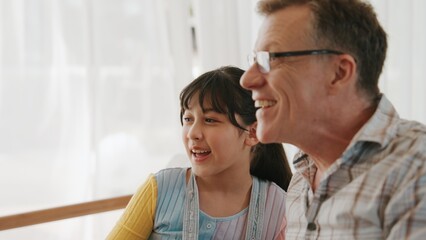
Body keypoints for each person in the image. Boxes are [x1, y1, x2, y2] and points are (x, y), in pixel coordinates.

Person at [240, 0, 426, 239]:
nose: (247, 79)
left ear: (339, 73)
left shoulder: (416, 170)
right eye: (254, 60)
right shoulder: (300, 182)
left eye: (271, 59)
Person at [107, 66, 293, 239]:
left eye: (210, 120)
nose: (193, 133)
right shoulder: (158, 189)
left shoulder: (280, 209)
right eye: (188, 119)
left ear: (252, 133)